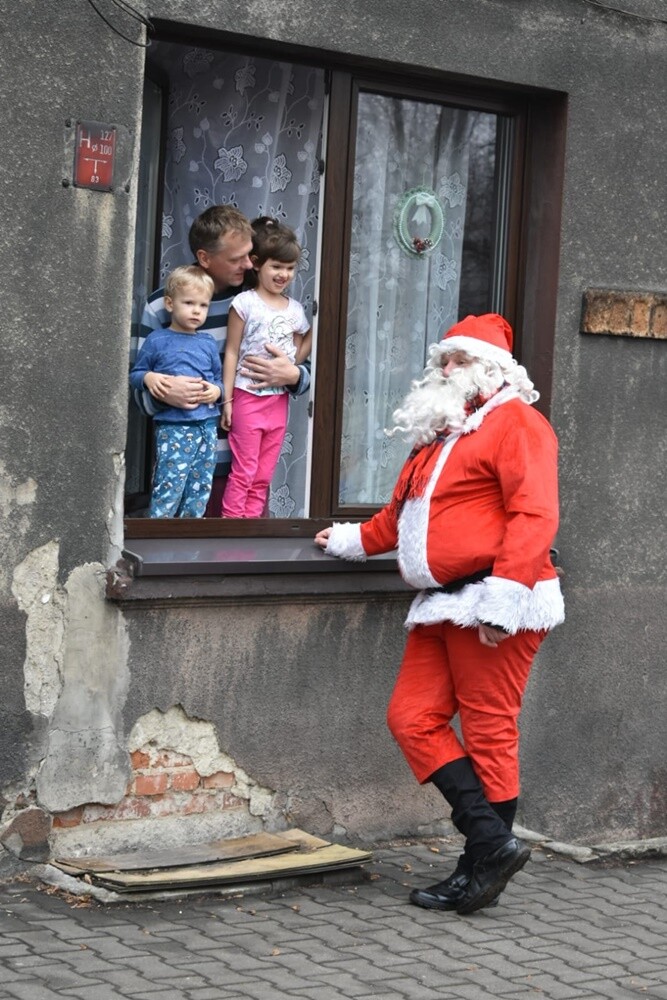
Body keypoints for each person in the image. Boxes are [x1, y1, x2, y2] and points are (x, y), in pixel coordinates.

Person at [315, 313, 564, 915]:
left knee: (488, 731)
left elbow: (535, 516)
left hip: (496, 600)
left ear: (490, 368)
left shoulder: (518, 424)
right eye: (441, 360)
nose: (442, 369)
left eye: (455, 360)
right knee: (410, 717)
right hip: (440, 604)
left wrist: (504, 600)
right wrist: (349, 539)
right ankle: (491, 842)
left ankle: (478, 870)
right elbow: (397, 520)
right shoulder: (441, 433)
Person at [134, 205, 311, 514]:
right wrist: (165, 395)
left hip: (247, 465)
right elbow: (136, 389)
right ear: (205, 258)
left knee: (241, 555)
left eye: (249, 255)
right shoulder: (164, 306)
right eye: (236, 258)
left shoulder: (256, 299)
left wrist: (292, 375)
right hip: (183, 463)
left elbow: (304, 369)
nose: (248, 263)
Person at [221, 219, 312, 518]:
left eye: (290, 268)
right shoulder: (244, 303)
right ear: (257, 264)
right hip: (247, 397)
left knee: (262, 478)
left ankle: (249, 538)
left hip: (278, 402)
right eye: (276, 266)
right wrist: (228, 399)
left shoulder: (296, 310)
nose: (283, 274)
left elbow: (296, 357)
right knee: (244, 472)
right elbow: (232, 351)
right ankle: (230, 534)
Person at [130, 266, 221, 517]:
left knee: (199, 488)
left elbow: (218, 379)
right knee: (169, 485)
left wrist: (216, 391)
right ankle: (158, 536)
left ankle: (188, 544)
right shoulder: (157, 340)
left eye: (203, 305)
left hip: (207, 428)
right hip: (173, 427)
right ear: (170, 303)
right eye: (189, 302)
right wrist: (149, 377)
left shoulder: (208, 343)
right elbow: (135, 374)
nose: (196, 310)